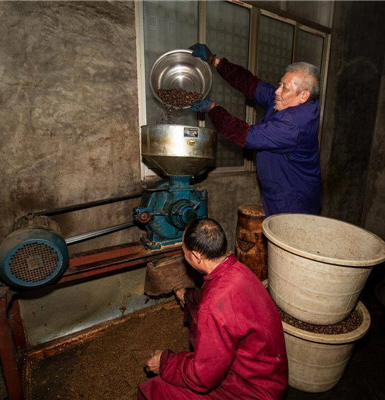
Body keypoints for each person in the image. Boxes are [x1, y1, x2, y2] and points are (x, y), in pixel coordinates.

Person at [138, 218, 287, 400]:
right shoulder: (238, 270)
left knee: (154, 389)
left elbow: (202, 377)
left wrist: (164, 361)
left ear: (196, 256)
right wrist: (187, 296)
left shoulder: (212, 309)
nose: (184, 257)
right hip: (268, 377)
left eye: (184, 253)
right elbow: (214, 295)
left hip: (251, 391)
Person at [189, 43, 321, 216]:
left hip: (293, 202)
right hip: (277, 194)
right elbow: (251, 85)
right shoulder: (286, 101)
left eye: (285, 88)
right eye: (280, 84)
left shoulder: (294, 125)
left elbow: (246, 135)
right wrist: (215, 61)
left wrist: (213, 109)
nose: (277, 91)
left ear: (303, 95)